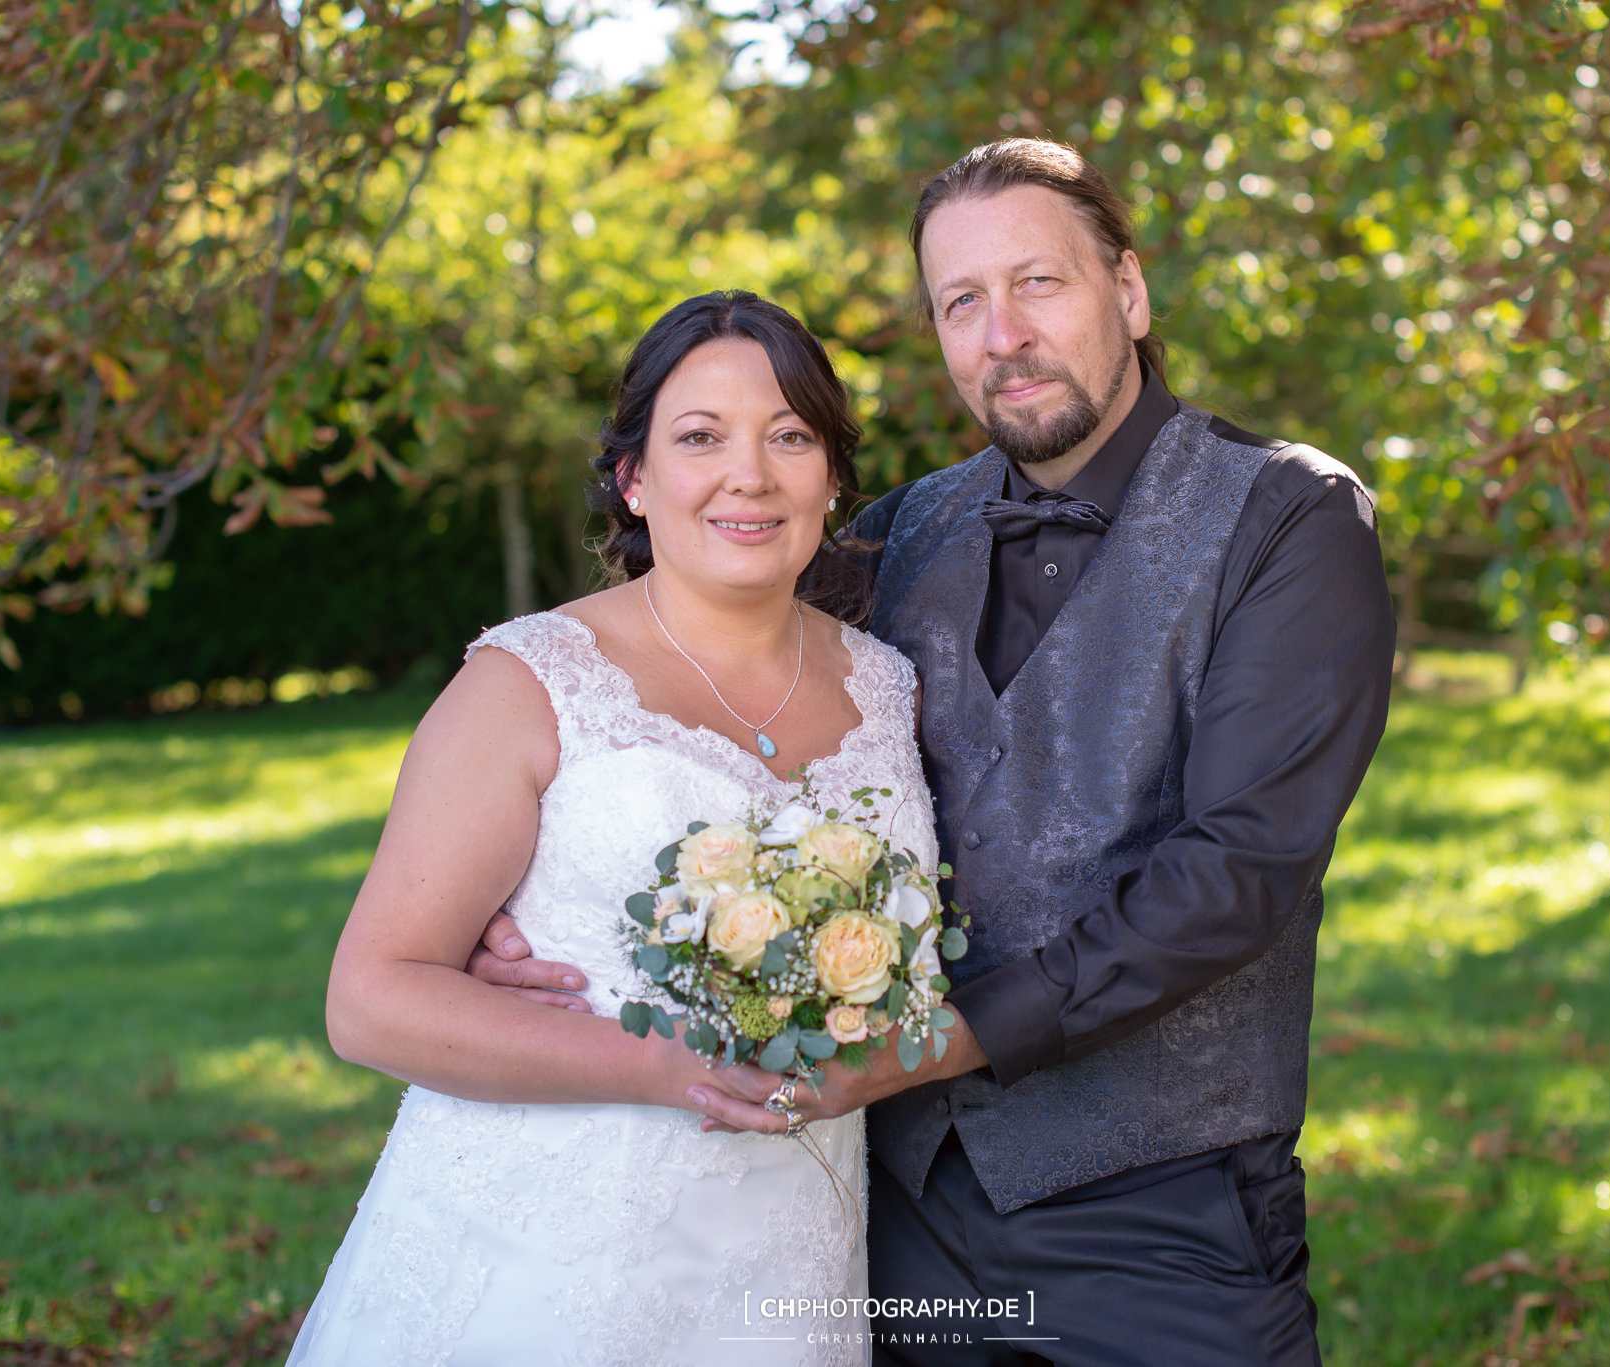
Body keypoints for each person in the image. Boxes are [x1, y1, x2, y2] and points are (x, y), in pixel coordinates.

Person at [477, 139, 1395, 1365]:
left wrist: (938, 1040)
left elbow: (1238, 871)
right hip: (896, 1203)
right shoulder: (897, 531)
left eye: (1038, 284)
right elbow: (700, 685)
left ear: (1127, 291)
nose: (1000, 333)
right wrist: (535, 894)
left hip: (1161, 1209)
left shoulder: (1288, 516)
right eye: (961, 301)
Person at [288, 290, 948, 1366]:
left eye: (789, 435)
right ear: (634, 480)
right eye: (700, 437)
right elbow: (368, 999)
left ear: (831, 476)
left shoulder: (889, 687)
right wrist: (667, 1065)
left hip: (788, 1251)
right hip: (544, 1249)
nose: (750, 473)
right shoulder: (528, 681)